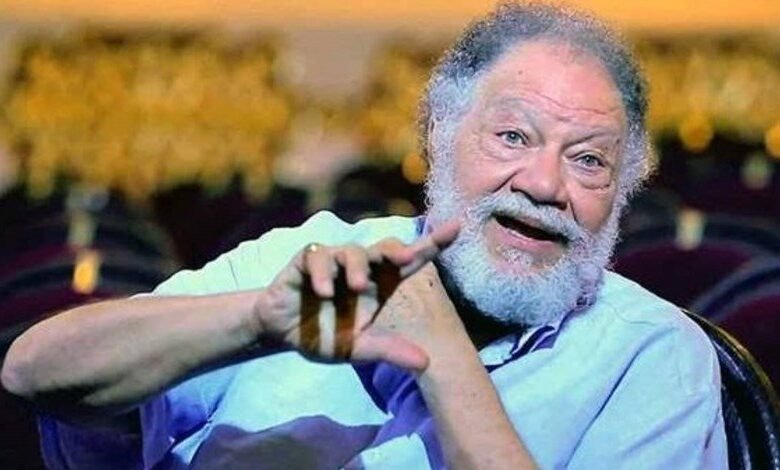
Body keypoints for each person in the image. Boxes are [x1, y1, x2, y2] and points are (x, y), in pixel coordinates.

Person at [2, 2, 727, 469]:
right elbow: (32, 375)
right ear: (438, 136)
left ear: (623, 190)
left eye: (589, 161)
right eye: (513, 136)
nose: (544, 183)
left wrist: (442, 357)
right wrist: (254, 321)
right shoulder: (311, 257)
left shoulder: (655, 356)